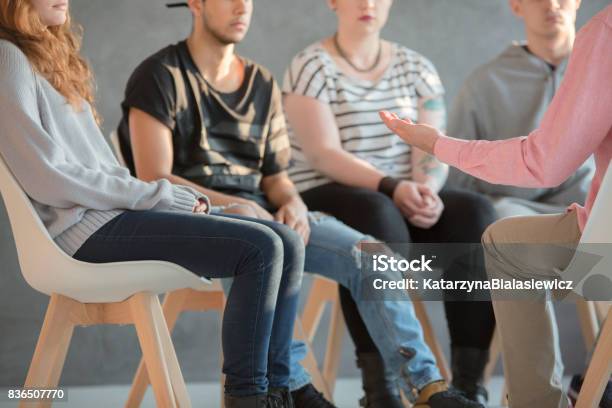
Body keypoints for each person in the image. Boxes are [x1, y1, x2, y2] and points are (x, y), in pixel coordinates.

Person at [116, 1, 483, 407]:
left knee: (370, 256)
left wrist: (290, 201)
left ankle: (428, 388)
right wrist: (234, 205)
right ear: (197, 4)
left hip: (263, 214)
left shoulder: (261, 82)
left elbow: (275, 176)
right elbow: (153, 176)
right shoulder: (159, 76)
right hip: (194, 215)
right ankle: (294, 387)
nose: (242, 7)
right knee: (260, 246)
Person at [0, 1, 306, 407]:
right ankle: (249, 399)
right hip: (83, 232)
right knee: (260, 248)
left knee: (285, 238)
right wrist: (168, 197)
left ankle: (279, 393)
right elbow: (49, 176)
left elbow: (105, 173)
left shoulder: (50, 58)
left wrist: (185, 204)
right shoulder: (8, 57)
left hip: (112, 218)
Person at [379, 4, 612, 407]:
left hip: (599, 242)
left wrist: (436, 144)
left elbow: (544, 162)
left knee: (506, 245)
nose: (552, 5)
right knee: (497, 220)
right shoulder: (486, 82)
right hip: (549, 217)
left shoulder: (604, 34)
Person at [283, 0, 497, 404]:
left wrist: (427, 189)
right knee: (377, 217)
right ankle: (381, 389)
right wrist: (391, 187)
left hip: (401, 192)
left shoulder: (415, 68)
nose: (368, 3)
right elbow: (322, 154)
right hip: (330, 193)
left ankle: (468, 387)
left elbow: (432, 149)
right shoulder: (310, 66)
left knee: (476, 212)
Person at [448, 0, 592, 220]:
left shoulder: (600, 71)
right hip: (513, 208)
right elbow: (457, 173)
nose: (552, 4)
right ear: (516, 5)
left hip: (594, 202)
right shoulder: (484, 83)